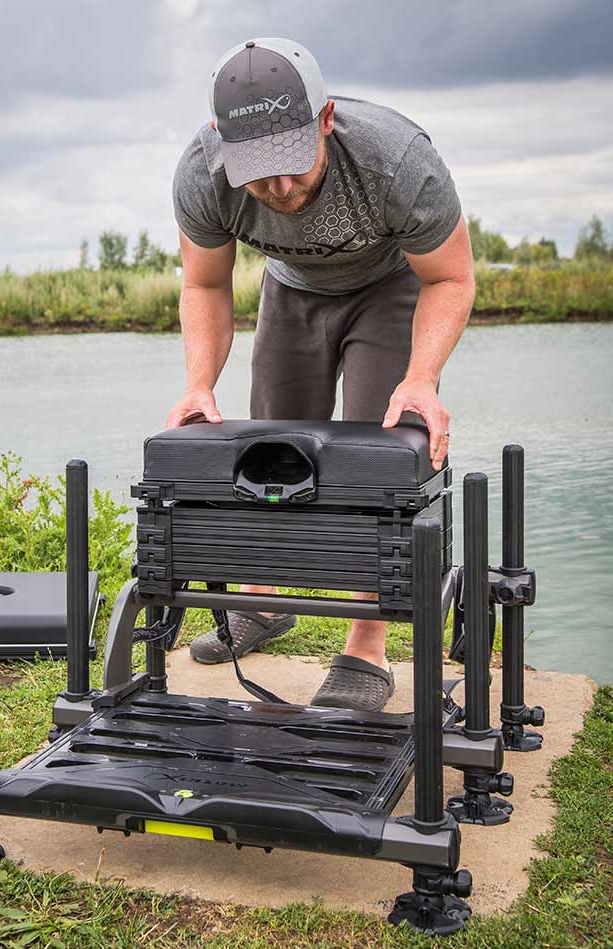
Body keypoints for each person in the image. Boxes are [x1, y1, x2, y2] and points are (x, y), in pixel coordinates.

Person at [168, 38, 474, 710]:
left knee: (378, 460)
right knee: (269, 454)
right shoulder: (202, 173)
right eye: (259, 172)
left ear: (326, 118)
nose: (279, 189)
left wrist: (422, 376)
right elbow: (206, 285)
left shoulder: (397, 161)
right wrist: (198, 383)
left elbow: (451, 277)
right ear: (222, 138)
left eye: (290, 163)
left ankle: (367, 642)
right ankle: (264, 597)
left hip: (391, 287)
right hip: (291, 291)